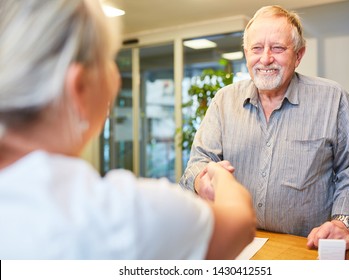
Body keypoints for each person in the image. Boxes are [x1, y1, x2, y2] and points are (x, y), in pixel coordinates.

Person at [0, 0, 256, 260]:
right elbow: (240, 225)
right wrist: (218, 174)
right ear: (78, 88)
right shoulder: (126, 214)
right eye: (108, 59)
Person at [180, 5, 349, 251]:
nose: (265, 59)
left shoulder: (332, 99)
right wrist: (200, 180)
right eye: (257, 48)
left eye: (278, 48)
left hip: (306, 248)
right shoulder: (223, 100)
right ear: (246, 53)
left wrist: (343, 223)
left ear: (299, 55)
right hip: (238, 246)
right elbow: (198, 162)